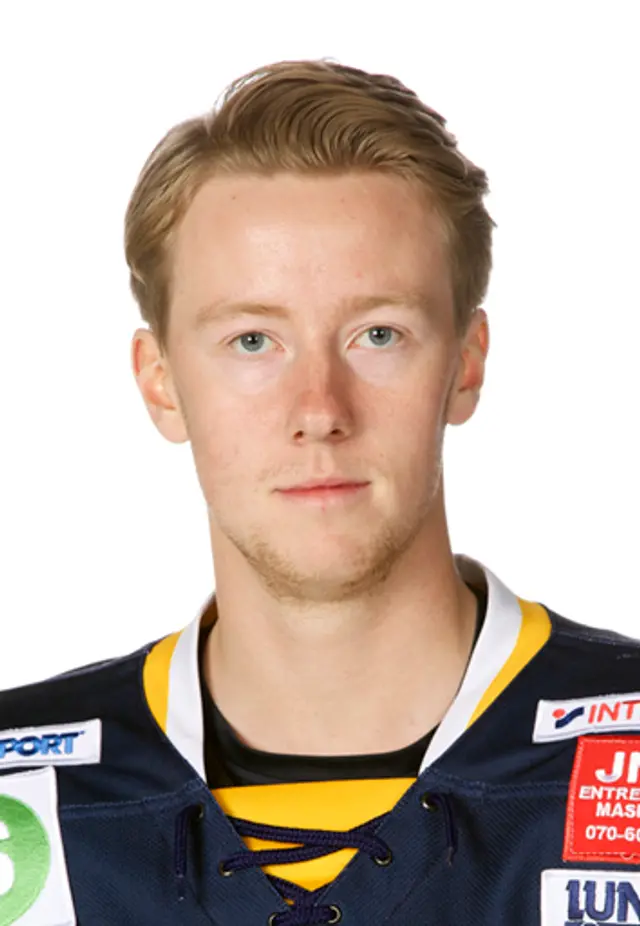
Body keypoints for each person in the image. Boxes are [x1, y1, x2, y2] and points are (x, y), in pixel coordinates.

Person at [1, 58, 639, 926]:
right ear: (161, 383)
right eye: (252, 340)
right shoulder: (23, 793)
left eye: (378, 334)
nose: (319, 411)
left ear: (466, 363)